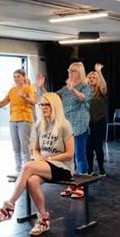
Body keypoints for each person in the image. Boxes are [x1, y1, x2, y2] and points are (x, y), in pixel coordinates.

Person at [0, 93, 74, 237]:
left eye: (47, 105)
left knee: (28, 166)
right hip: (45, 165)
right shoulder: (40, 124)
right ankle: (43, 219)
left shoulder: (64, 125)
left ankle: (9, 206)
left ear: (55, 106)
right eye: (42, 105)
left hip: (62, 167)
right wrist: (39, 157)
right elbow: (35, 149)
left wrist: (50, 158)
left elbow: (70, 154)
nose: (44, 108)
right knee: (32, 181)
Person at [38, 62, 92, 198]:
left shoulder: (86, 87)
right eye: (68, 71)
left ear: (79, 72)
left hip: (80, 126)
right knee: (68, 158)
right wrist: (42, 88)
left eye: (72, 71)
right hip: (67, 127)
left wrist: (72, 89)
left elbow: (83, 98)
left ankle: (81, 186)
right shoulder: (65, 88)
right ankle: (71, 183)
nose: (69, 73)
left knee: (79, 156)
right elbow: (52, 98)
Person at [0, 69, 36, 172]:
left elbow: (34, 102)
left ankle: (27, 170)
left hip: (25, 120)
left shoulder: (28, 88)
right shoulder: (12, 90)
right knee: (16, 147)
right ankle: (18, 170)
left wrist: (24, 97)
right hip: (13, 121)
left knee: (25, 147)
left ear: (24, 77)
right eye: (14, 76)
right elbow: (1, 104)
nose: (16, 79)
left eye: (18, 76)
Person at [86, 64, 108, 176]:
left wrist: (98, 72)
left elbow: (104, 86)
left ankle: (101, 169)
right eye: (89, 77)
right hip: (88, 123)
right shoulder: (85, 92)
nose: (91, 78)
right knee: (88, 147)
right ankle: (89, 169)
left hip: (99, 122)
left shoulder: (101, 91)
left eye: (93, 77)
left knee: (98, 146)